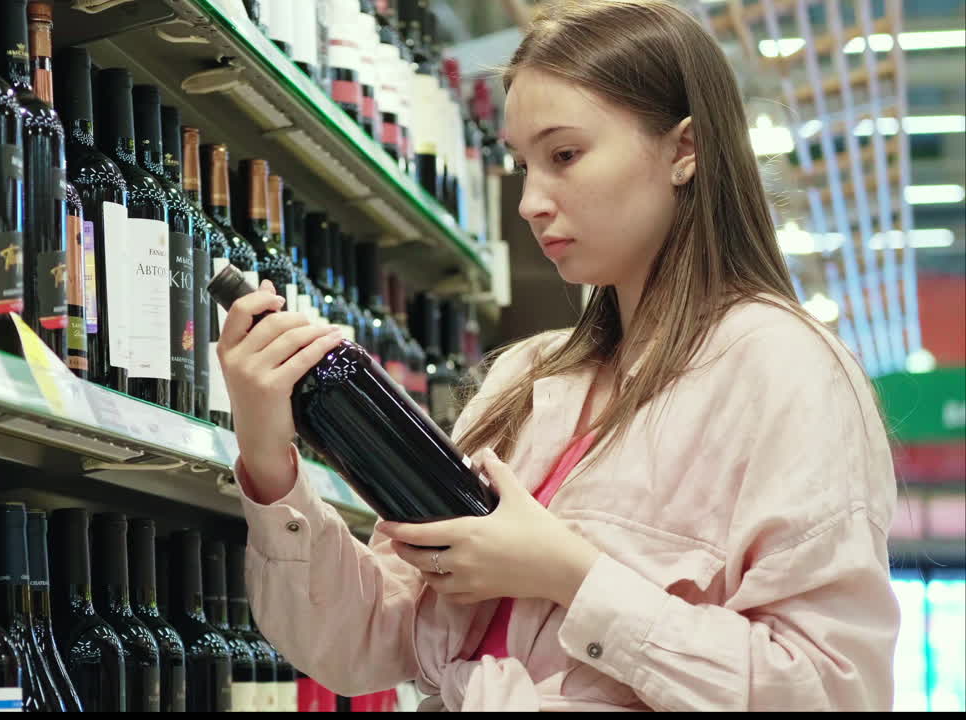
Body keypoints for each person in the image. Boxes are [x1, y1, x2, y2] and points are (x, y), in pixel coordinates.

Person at [214, 0, 899, 711]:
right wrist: (270, 461)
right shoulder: (525, 378)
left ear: (684, 150)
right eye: (523, 165)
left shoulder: (786, 374)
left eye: (565, 155)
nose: (531, 202)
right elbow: (359, 649)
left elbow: (827, 690)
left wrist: (572, 576)